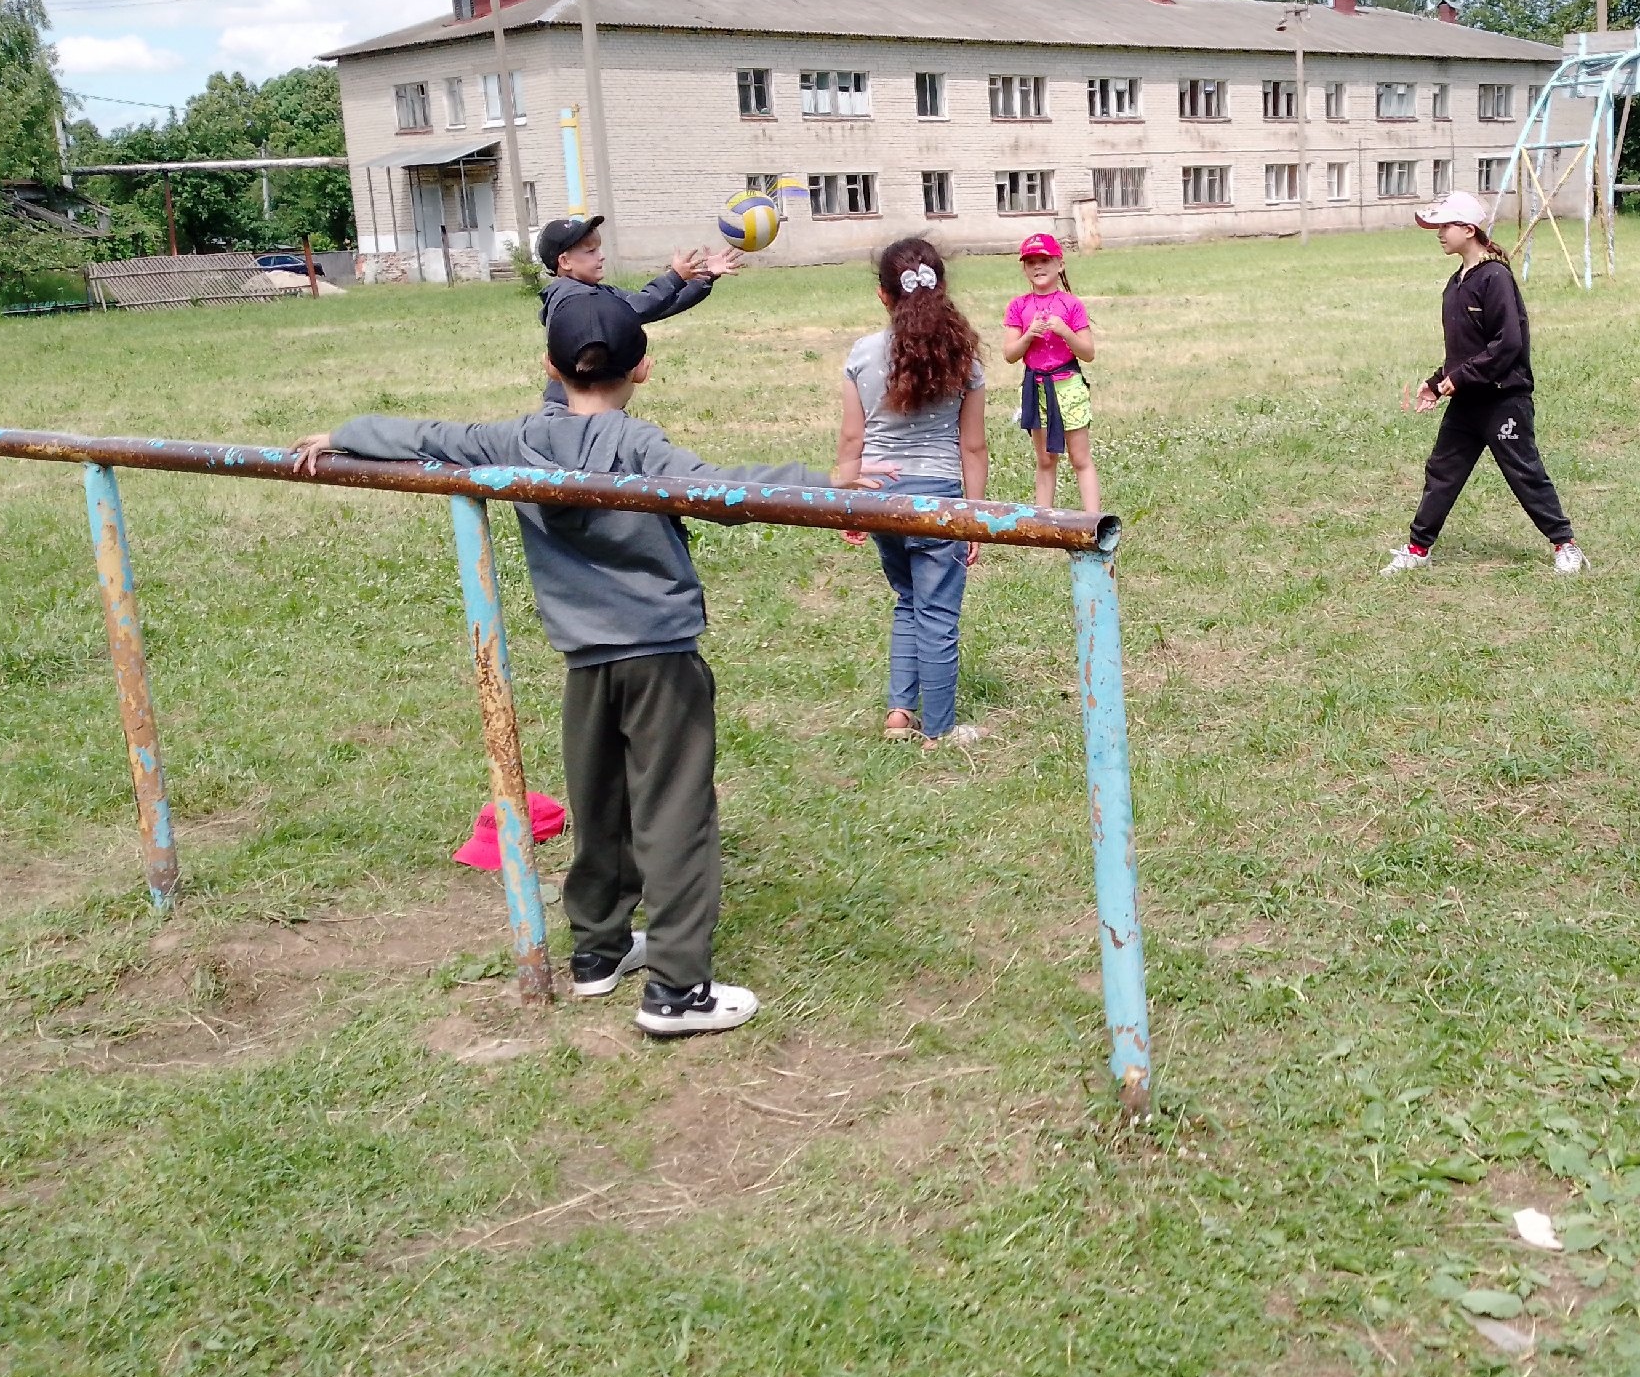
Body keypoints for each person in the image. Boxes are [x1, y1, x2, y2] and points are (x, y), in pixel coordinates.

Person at [295, 290, 869, 1039]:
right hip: (660, 657)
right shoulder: (638, 445)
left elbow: (420, 432)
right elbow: (723, 490)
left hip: (583, 658)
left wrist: (341, 434)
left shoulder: (515, 439)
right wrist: (829, 489)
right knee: (675, 814)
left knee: (600, 807)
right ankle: (676, 991)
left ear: (549, 366)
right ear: (644, 369)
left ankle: (597, 951)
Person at [1384, 191, 1585, 576]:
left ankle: (1566, 545)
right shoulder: (1455, 284)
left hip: (1503, 400)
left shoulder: (1495, 278)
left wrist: (1458, 379)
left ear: (1468, 229)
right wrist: (1437, 382)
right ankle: (1417, 548)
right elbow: (1464, 351)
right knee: (1442, 471)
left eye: (1446, 226)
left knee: (1523, 471)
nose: (1440, 233)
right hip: (1467, 403)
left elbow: (1507, 344)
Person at [839, 238, 989, 747]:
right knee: (938, 614)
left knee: (908, 599)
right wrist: (973, 514)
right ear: (942, 287)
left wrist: (849, 505)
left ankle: (899, 714)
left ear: (883, 295)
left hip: (879, 496)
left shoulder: (861, 353)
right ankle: (940, 731)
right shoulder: (963, 355)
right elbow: (972, 445)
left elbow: (852, 441)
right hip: (939, 500)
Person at [535, 215, 740, 410]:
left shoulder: (598, 293)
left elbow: (659, 305)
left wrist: (705, 277)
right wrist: (674, 278)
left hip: (594, 401)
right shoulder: (571, 298)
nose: (602, 256)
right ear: (565, 262)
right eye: (591, 251)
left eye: (599, 249)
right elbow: (635, 307)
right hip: (570, 404)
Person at [1002, 231, 1100, 513]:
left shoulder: (1072, 305)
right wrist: (1029, 335)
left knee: (1080, 457)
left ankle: (1092, 520)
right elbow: (1010, 355)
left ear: (1060, 264)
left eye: (1044, 259)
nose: (1038, 267)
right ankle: (1042, 521)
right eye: (1030, 261)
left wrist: (1064, 330)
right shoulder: (1018, 306)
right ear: (1024, 268)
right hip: (1036, 388)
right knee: (1045, 460)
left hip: (1068, 386)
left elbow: (1088, 353)